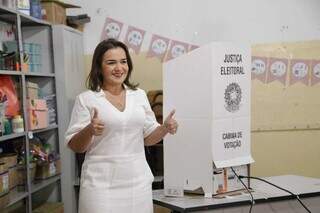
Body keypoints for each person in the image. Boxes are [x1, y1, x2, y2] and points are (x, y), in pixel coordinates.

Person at [65, 38, 178, 213]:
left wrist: (164, 128)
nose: (119, 68)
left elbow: (148, 138)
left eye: (123, 62)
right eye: (111, 63)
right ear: (99, 67)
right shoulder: (87, 99)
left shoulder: (138, 95)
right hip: (100, 188)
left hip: (137, 184)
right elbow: (75, 146)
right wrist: (90, 129)